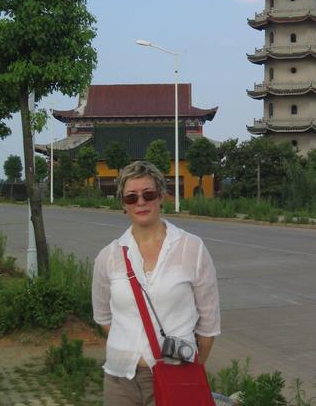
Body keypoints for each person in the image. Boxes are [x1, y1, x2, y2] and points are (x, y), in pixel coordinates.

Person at [92, 160, 220, 406]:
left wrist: (192, 369)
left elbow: (209, 325)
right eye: (131, 197)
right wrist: (130, 344)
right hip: (120, 378)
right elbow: (103, 318)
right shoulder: (109, 256)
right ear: (123, 204)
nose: (141, 202)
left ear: (161, 196)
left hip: (176, 374)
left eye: (148, 194)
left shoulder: (191, 248)